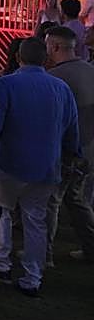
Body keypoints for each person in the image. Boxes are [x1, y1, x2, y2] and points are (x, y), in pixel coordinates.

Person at [0, 38, 81, 296]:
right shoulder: (60, 87)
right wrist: (72, 155)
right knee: (36, 220)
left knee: (0, 213)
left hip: (10, 161)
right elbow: (71, 127)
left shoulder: (7, 83)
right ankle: (33, 276)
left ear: (18, 57)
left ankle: (1, 265)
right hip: (46, 164)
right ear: (45, 58)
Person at [43, 26, 94, 264]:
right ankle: (90, 246)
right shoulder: (89, 70)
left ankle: (44, 253)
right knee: (76, 199)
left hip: (67, 151)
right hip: (89, 150)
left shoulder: (55, 79)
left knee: (52, 200)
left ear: (54, 46)